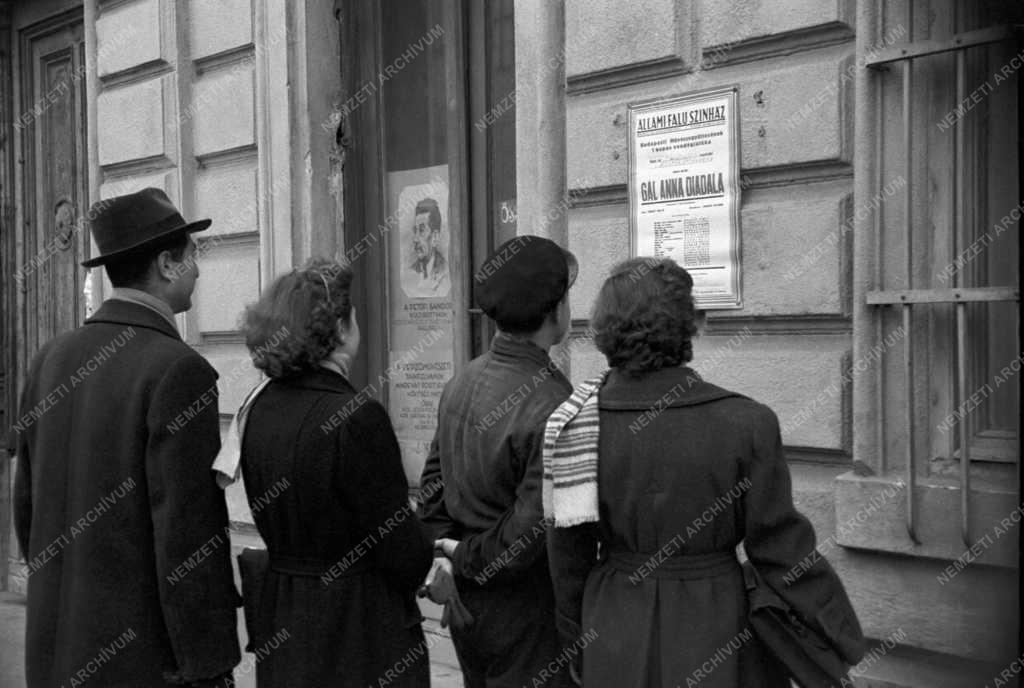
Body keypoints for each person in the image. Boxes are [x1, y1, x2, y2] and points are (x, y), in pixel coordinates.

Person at [544, 257, 864, 687]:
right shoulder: (747, 422)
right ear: (687, 325)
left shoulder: (574, 423)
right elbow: (781, 551)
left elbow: (568, 556)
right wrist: (838, 634)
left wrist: (577, 644)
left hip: (614, 622)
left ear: (605, 327)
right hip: (716, 626)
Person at [12, 187, 240, 687]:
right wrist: (209, 664)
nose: (198, 270)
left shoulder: (48, 360)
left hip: (55, 655)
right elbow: (187, 535)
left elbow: (26, 512)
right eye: (192, 257)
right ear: (166, 264)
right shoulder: (179, 371)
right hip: (142, 664)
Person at [236, 258, 435, 687]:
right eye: (354, 316)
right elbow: (403, 553)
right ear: (341, 329)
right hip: (358, 634)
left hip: (286, 624)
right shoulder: (356, 417)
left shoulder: (259, 409)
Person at [419, 235, 578, 688]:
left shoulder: (462, 380)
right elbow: (526, 536)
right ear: (554, 309)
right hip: (525, 609)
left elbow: (432, 489)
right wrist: (459, 556)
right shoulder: (551, 399)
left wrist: (446, 554)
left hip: (470, 601)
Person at [404, 197, 449, 297]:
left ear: (435, 237)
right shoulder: (409, 273)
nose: (415, 239)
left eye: (422, 230)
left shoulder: (446, 272)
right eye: (415, 230)